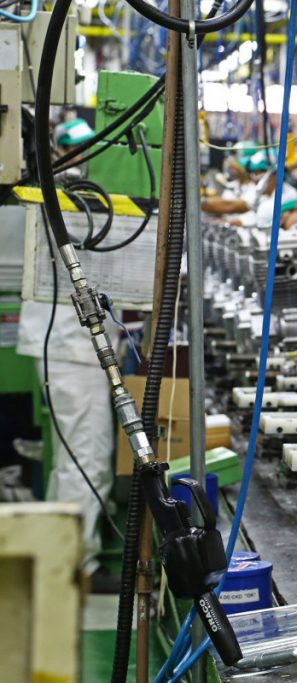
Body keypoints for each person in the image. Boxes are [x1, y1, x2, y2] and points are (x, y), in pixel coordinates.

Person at [19, 119, 116, 592]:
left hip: (65, 346)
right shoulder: (73, 203)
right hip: (73, 350)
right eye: (72, 149)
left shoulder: (55, 195)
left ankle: (59, 554)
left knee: (69, 459)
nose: (78, 158)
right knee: (88, 458)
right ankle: (82, 564)